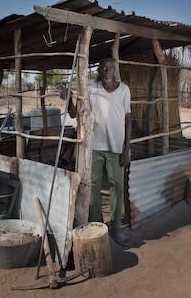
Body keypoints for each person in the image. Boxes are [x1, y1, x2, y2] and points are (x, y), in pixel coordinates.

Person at [62, 57, 131, 246]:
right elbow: (76, 114)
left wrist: (127, 147)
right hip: (94, 146)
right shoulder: (92, 90)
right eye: (104, 67)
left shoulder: (124, 90)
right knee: (93, 187)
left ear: (115, 70)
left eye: (111, 67)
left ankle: (116, 229)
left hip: (116, 147)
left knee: (117, 187)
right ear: (100, 70)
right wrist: (68, 100)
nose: (107, 70)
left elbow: (128, 119)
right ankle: (97, 226)